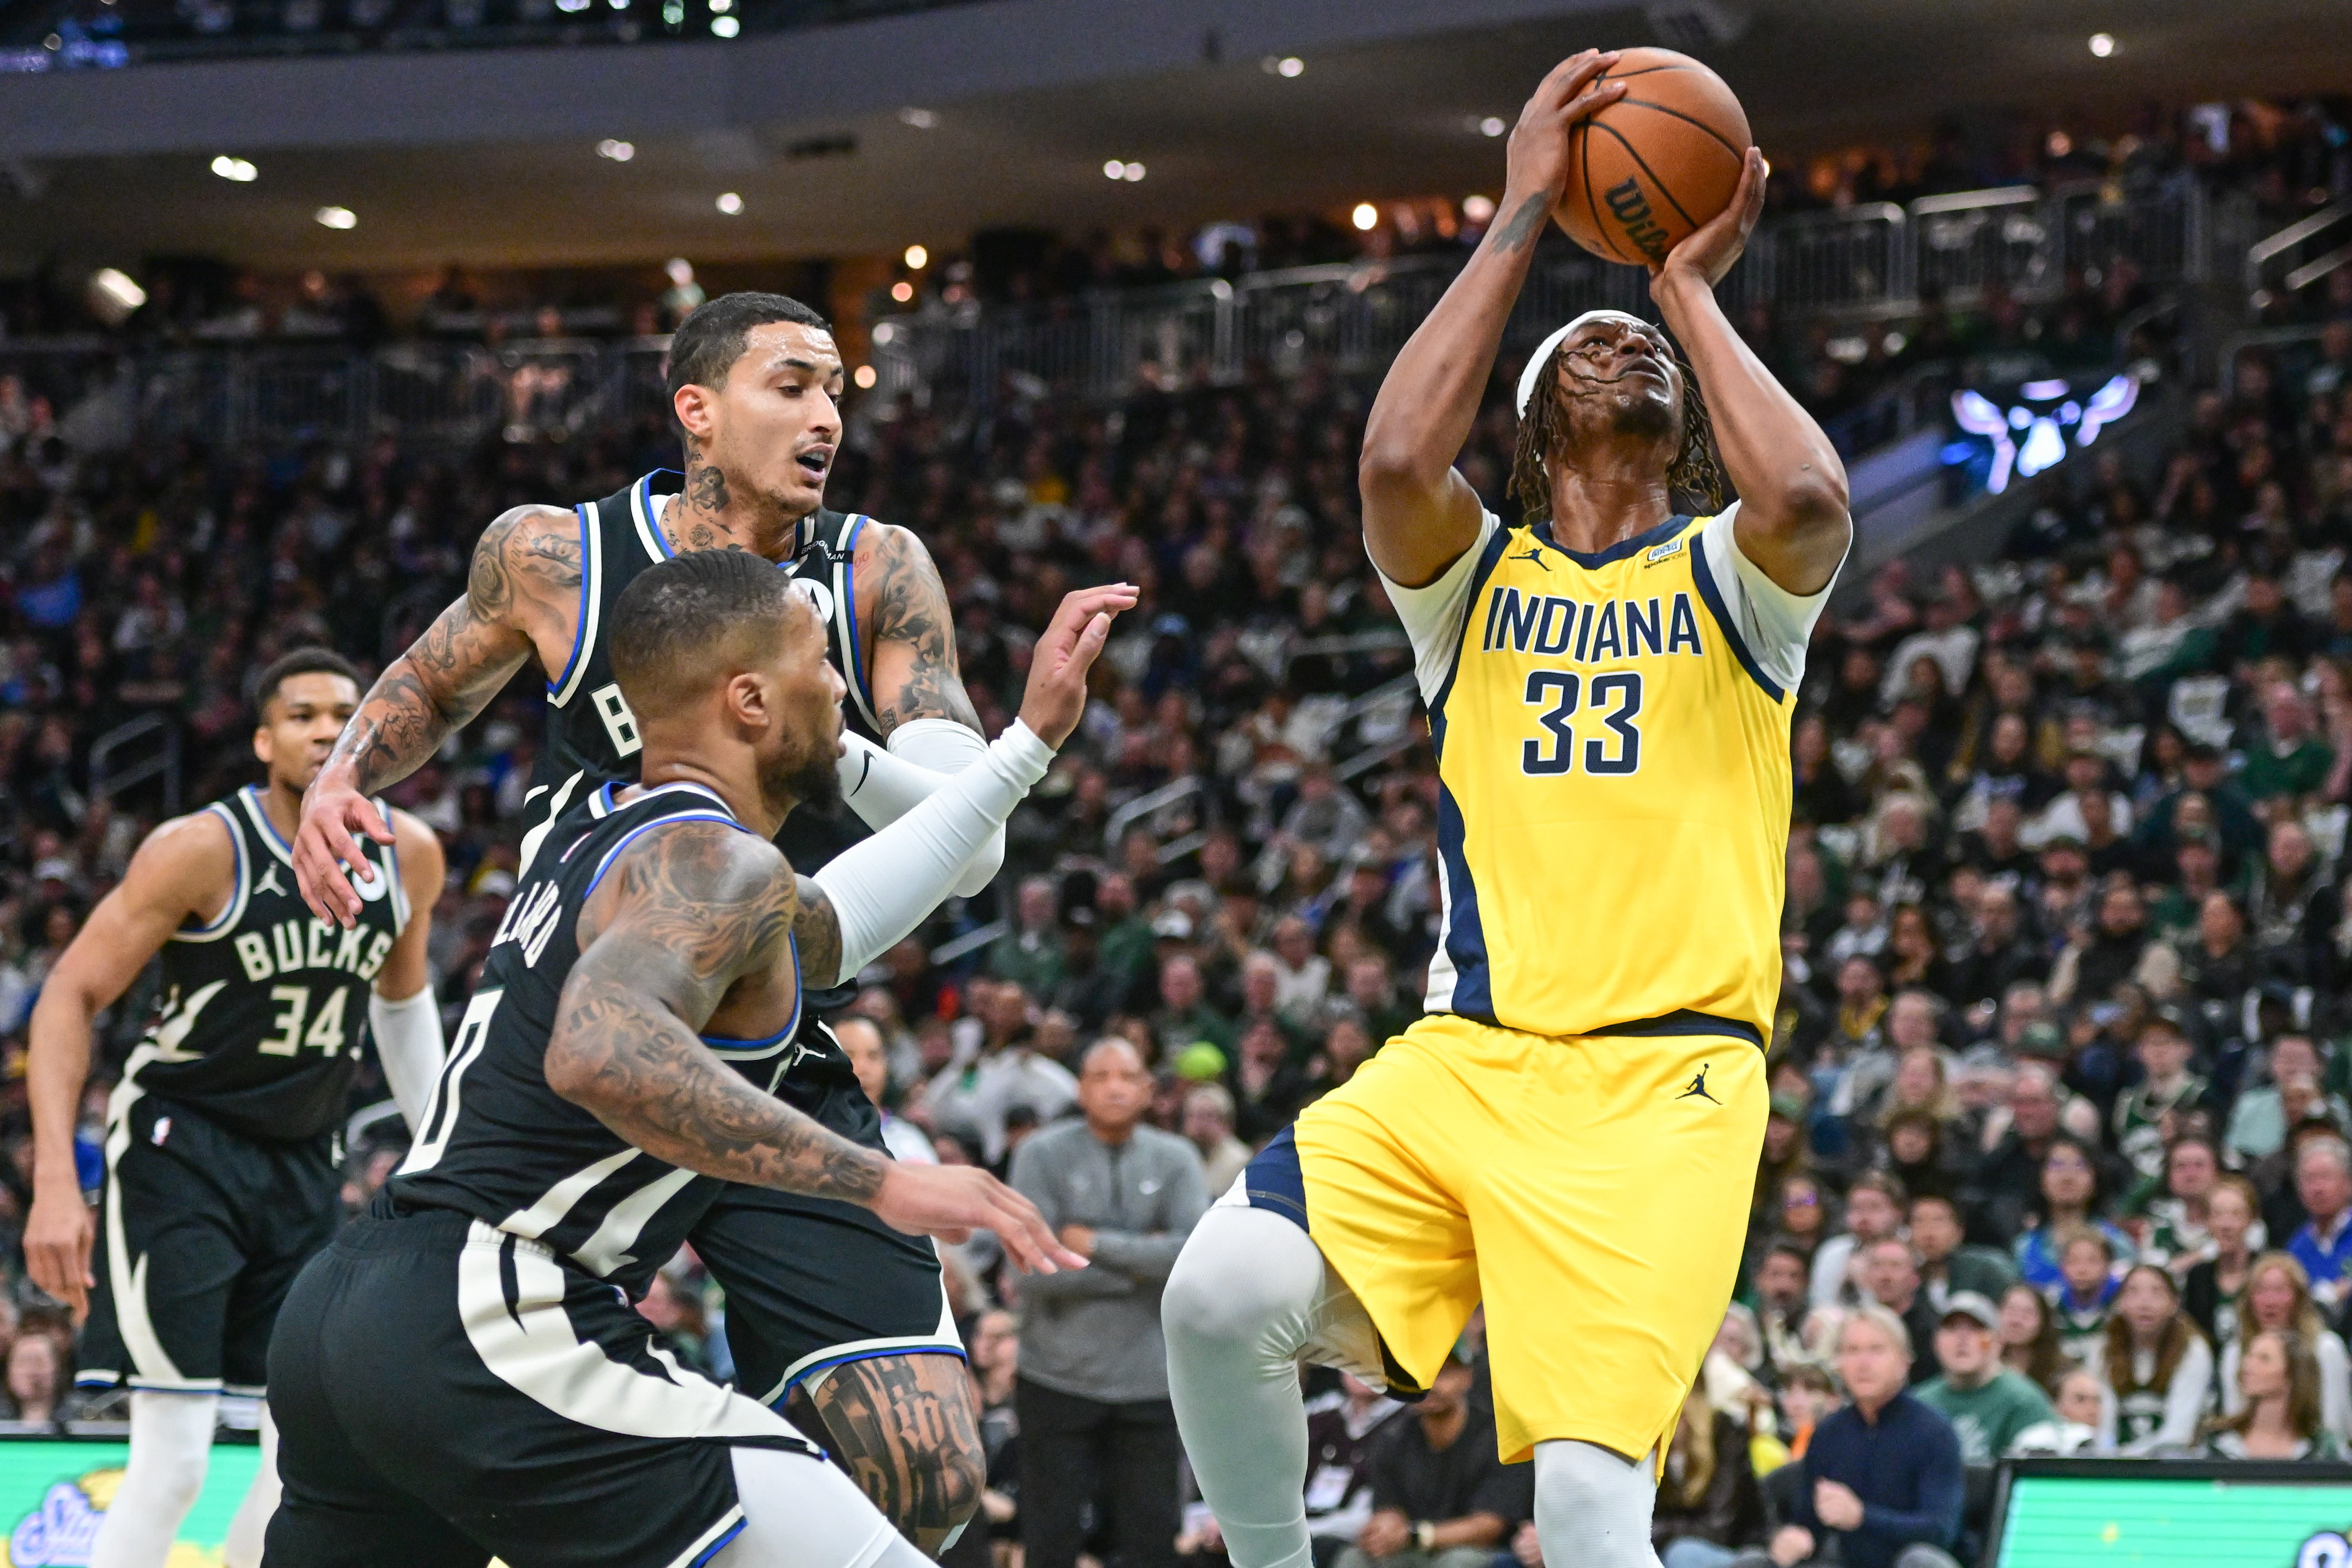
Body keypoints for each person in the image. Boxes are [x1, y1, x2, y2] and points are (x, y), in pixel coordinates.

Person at [1163, 51, 1853, 1568]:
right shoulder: (1473, 590)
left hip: (1663, 1090)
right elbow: (1399, 457)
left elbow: (1807, 502)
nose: (1613, 347)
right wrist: (1523, 215)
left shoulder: (1734, 584)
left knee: (1593, 1509)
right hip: (1469, 1062)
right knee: (1212, 1297)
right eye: (1584, 343)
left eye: (1634, 346)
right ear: (1532, 443)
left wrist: (1682, 294)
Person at [291, 292, 1032, 1548]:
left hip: (779, 1034)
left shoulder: (873, 568)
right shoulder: (556, 553)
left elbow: (968, 832)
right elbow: (426, 682)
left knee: (924, 1473)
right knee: (483, 1345)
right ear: (695, 408)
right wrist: (338, 779)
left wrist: (854, 752)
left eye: (838, 389)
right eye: (790, 385)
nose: (827, 415)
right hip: (610, 1010)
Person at [262, 553, 1119, 1566]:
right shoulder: (716, 862)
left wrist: (1026, 746)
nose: (839, 688)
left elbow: (840, 920)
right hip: (490, 1307)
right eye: (818, 663)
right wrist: (878, 1182)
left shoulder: (617, 840)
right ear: (751, 700)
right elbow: (599, 1053)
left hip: (344, 1317)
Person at [25, 649, 446, 1568]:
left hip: (301, 1158)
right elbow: (69, 993)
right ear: (263, 740)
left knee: (293, 1451)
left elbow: (403, 1006)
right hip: (182, 1150)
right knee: (174, 1457)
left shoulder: (410, 852)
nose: (330, 727)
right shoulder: (199, 848)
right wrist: (59, 1176)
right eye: (302, 714)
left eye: (347, 709)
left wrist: (446, 1150)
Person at [1009, 1037, 1210, 1568]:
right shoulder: (1040, 1154)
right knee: (1050, 1540)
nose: (1114, 1086)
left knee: (1152, 1541)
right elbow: (1031, 1270)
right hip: (1055, 1375)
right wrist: (1143, 1266)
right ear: (1080, 1087)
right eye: (1100, 1075)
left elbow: (1194, 1258)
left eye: (1127, 1075)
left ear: (1148, 1088)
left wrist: (1096, 1246)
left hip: (1150, 1379)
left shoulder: (1177, 1157)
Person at [1734, 1307, 1962, 1568]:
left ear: (1904, 1361)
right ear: (1839, 1363)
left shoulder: (1934, 1432)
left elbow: (1940, 1532)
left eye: (1876, 1350)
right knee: (1753, 1563)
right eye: (1852, 1351)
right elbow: (1808, 1523)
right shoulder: (1829, 1434)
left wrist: (1862, 1517)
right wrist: (1791, 1539)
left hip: (1903, 1562)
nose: (1863, 1363)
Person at [1334, 1352, 1532, 1568]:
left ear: (1467, 1377)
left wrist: (1414, 1535)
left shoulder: (1497, 1437)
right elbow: (1388, 1505)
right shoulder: (1393, 1436)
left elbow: (1490, 1527)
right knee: (1354, 1558)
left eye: (1443, 1374)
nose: (1429, 1384)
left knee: (1458, 1562)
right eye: (1419, 1375)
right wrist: (1386, 1527)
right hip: (1413, 1548)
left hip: (1484, 1552)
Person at [2217, 1252, 2352, 1440]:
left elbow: (2334, 1426)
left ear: (2299, 1298)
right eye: (2261, 1291)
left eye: (2280, 1291)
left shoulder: (2326, 1349)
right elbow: (2235, 1418)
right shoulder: (2235, 1352)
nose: (2270, 1302)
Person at [1914, 1293, 2058, 1463]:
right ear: (1936, 1342)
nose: (1962, 1339)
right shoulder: (1920, 1403)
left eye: (1976, 1329)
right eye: (1951, 1328)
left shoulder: (2024, 1402)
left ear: (1998, 1341)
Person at [2091, 1265, 2213, 1456]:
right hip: (2114, 1466)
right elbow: (2102, 1424)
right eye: (2133, 1292)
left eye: (2157, 1293)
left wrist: (2127, 1459)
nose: (2144, 1304)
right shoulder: (2103, 1348)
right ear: (2120, 1303)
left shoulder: (2193, 1350)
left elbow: (2179, 1434)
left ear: (2175, 1304)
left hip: (2174, 1465)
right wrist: (2110, 1461)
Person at [1302, 1374, 1408, 1567]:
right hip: (1303, 1523)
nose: (1362, 1371)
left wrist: (1300, 1532)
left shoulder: (1406, 1423)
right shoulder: (1319, 1414)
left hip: (1348, 1536)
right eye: (1354, 1360)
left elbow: (1375, 1513)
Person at [2204, 1330, 2345, 1459]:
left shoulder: (2321, 1450)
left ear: (2292, 1375)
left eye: (2264, 1359)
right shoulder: (2217, 1442)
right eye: (2249, 1355)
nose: (2247, 1366)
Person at [2182, 1175, 2262, 1347]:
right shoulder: (2198, 1277)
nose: (2226, 1225)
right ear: (2206, 1220)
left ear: (2252, 1219)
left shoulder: (2266, 1271)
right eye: (2218, 1214)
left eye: (2236, 1214)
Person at [2287, 1135, 2352, 1309]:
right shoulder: (2296, 1248)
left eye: (2326, 1177)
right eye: (2310, 1179)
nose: (2317, 1189)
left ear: (2348, 1183)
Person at [1995, 1282, 2070, 1397]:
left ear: (2043, 1321)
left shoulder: (2060, 1372)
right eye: (2011, 1311)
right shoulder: (1983, 1363)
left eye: (2027, 1314)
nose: (2016, 1321)